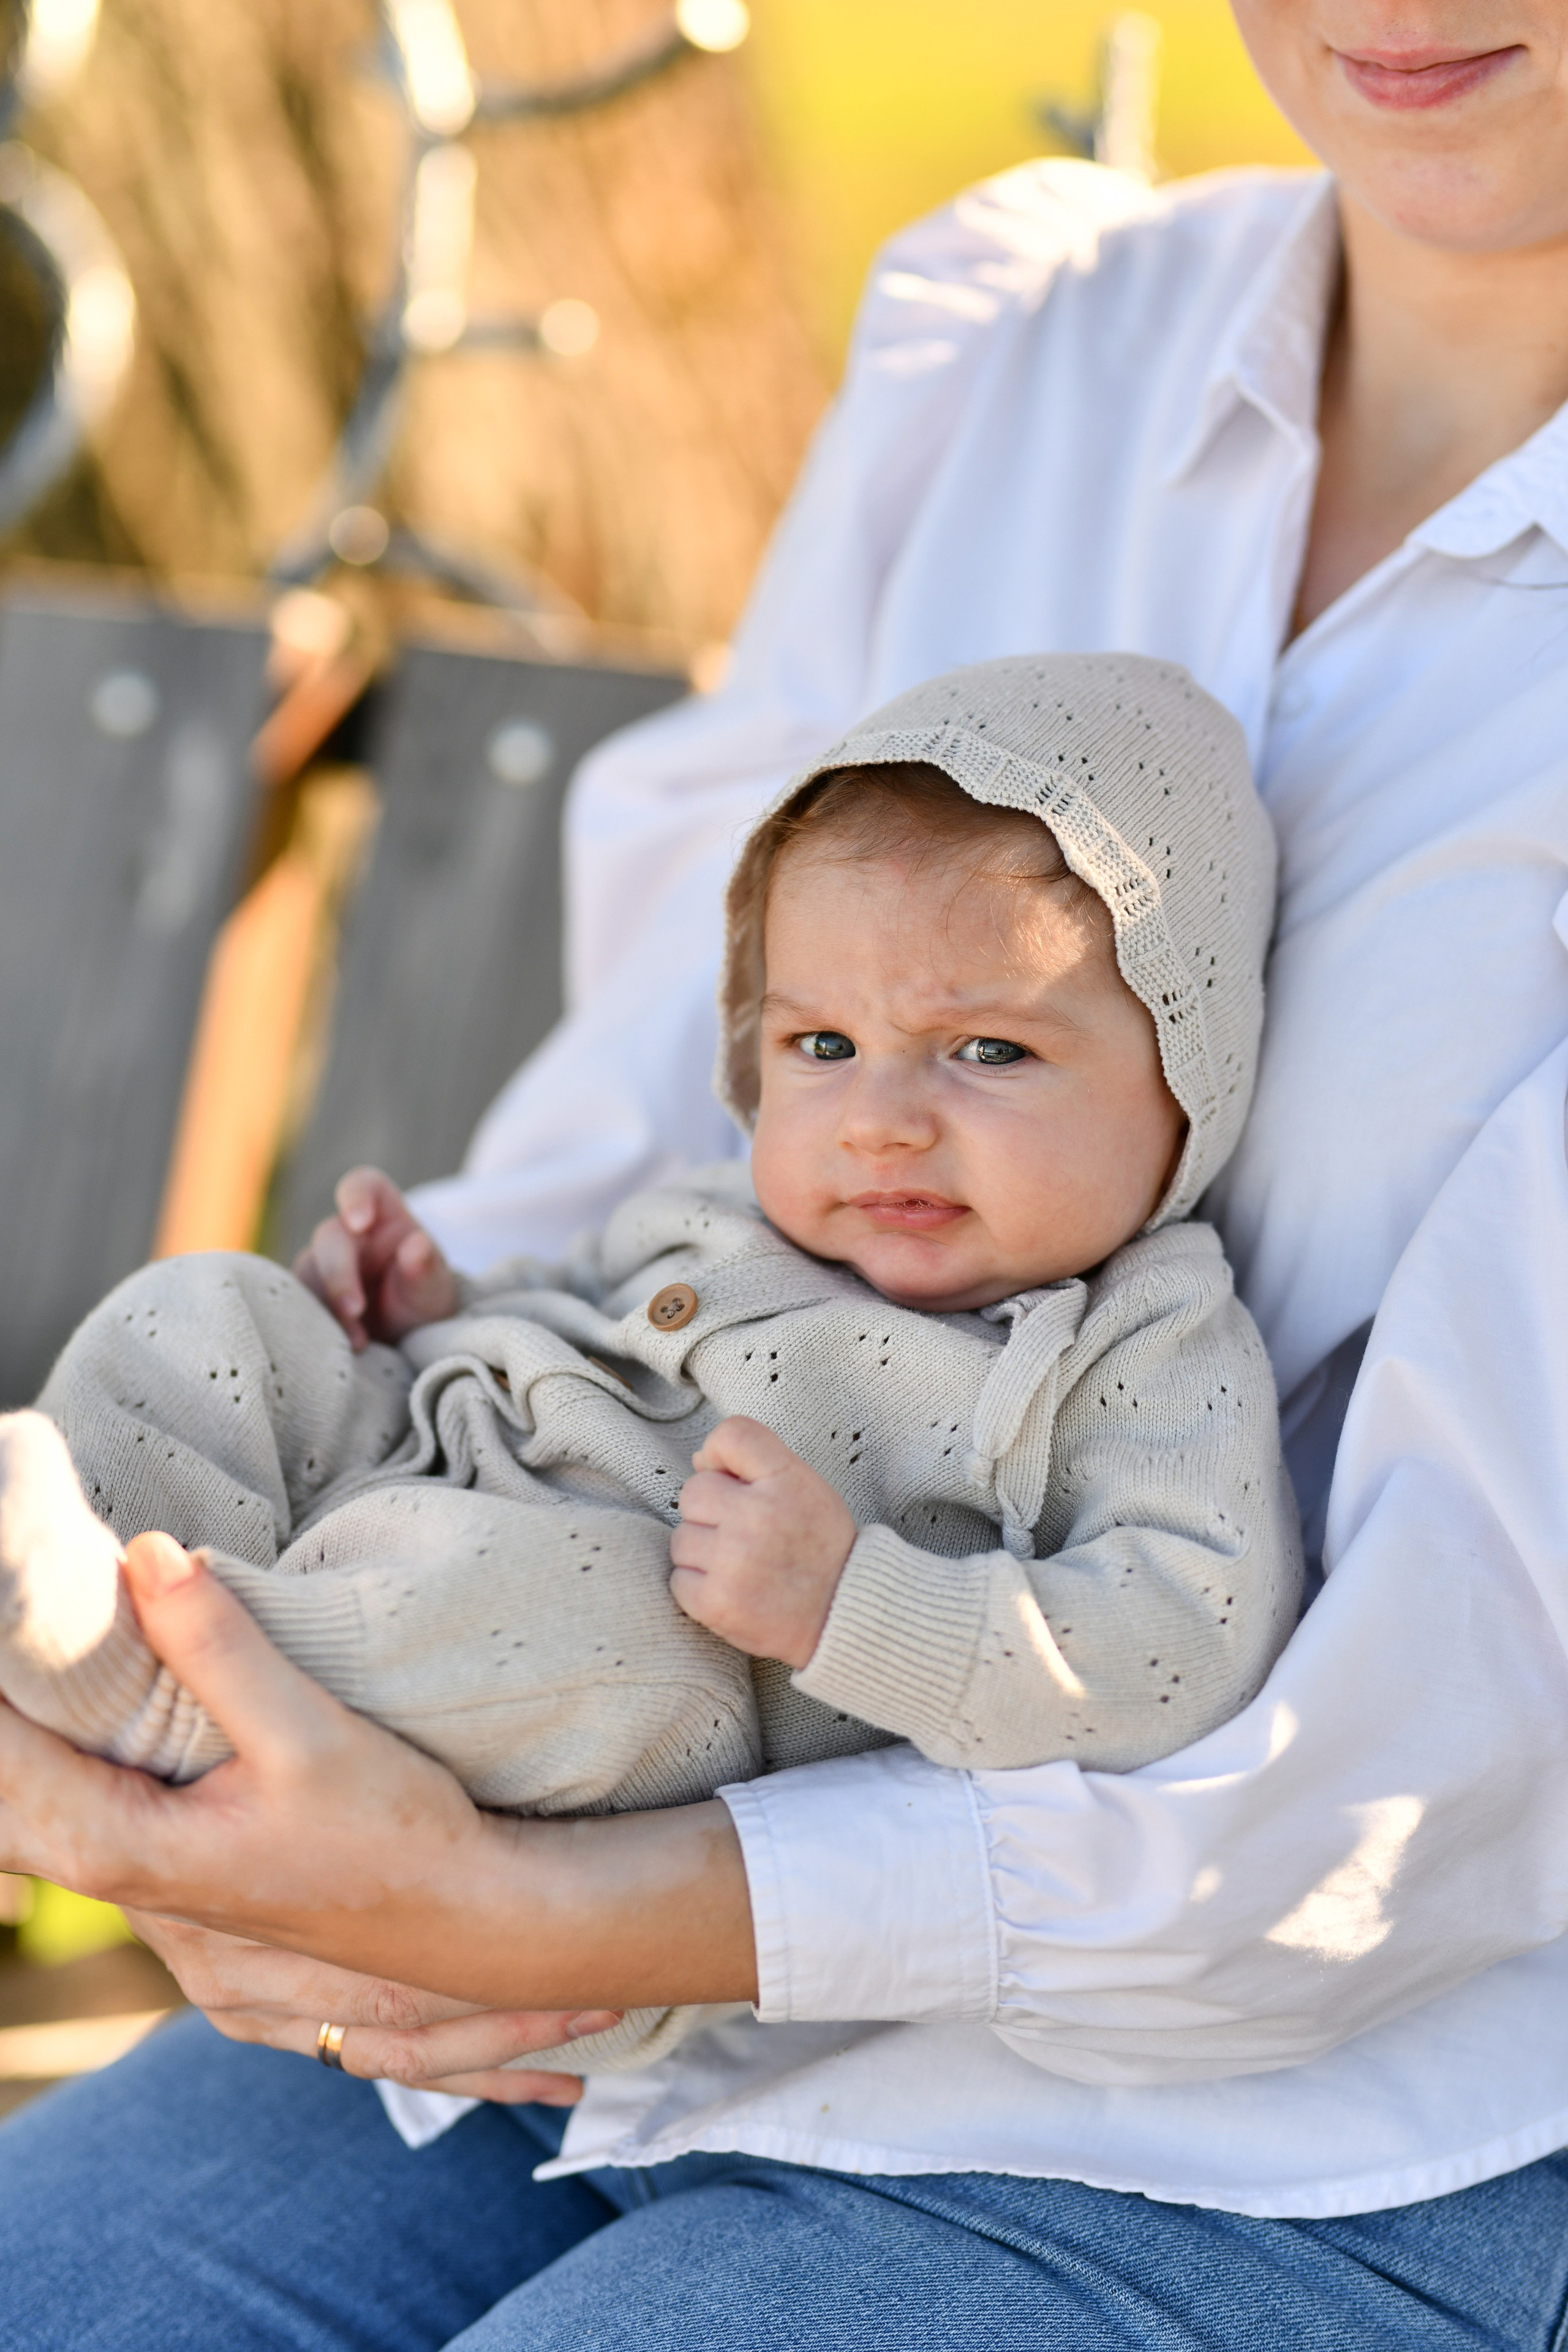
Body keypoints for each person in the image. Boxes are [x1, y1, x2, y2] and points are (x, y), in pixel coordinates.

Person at [2, 3, 1568, 2345]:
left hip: (1297, 2097)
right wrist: (430, 1364)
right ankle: (156, 1654)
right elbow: (663, 1117)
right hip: (598, 1916)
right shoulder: (1035, 349)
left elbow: (1417, 1779)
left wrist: (559, 1911)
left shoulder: (1140, 1381)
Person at [0, 654, 1299, 2085]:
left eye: (984, 1050)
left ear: (1187, 1069)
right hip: (432, 1479)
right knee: (215, 1313)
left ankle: (158, 1693)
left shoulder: (1139, 1336)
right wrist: (434, 1307)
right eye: (821, 1043)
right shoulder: (729, 1205)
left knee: (590, 1614)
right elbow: (583, 1308)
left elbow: (1181, 1637)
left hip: (626, 1719)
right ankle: (80, 1582)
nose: (877, 1120)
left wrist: (855, 1608)